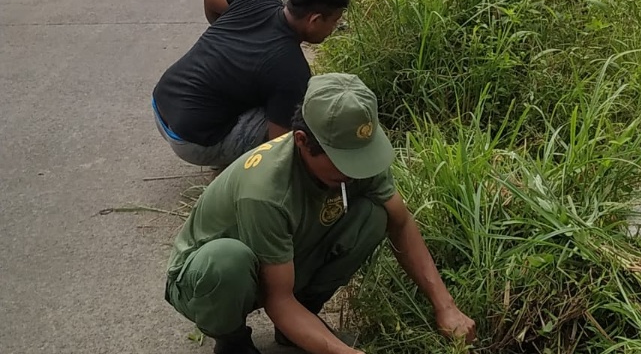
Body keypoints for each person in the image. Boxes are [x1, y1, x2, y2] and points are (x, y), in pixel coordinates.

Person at [164, 72, 477, 354]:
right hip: (206, 277)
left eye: (361, 157)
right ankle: (232, 339)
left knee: (375, 216)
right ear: (302, 141)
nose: (356, 172)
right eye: (344, 162)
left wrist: (445, 307)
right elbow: (278, 299)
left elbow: (402, 222)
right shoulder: (265, 191)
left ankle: (301, 324)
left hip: (279, 259)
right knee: (227, 261)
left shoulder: (355, 155)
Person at [151, 0, 350, 169]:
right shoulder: (291, 69)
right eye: (334, 21)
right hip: (190, 143)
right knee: (298, 118)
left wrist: (228, 37)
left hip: (161, 102)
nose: (334, 28)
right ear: (314, 20)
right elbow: (278, 148)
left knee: (268, 92)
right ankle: (231, 165)